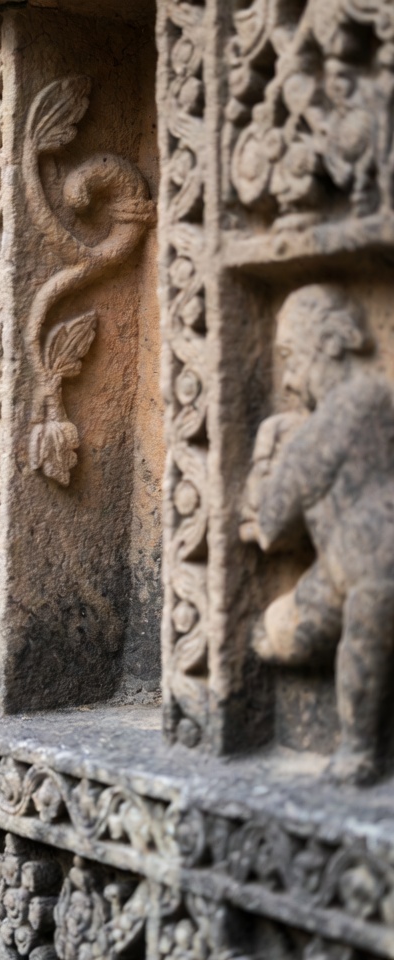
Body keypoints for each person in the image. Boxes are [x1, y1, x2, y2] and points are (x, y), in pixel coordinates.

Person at [241, 284, 394, 784]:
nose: (287, 380)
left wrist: (270, 449)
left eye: (290, 356)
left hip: (372, 569)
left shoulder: (337, 417)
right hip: (341, 569)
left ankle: (358, 750)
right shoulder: (372, 402)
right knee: (273, 636)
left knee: (361, 644)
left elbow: (270, 522)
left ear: (328, 343)